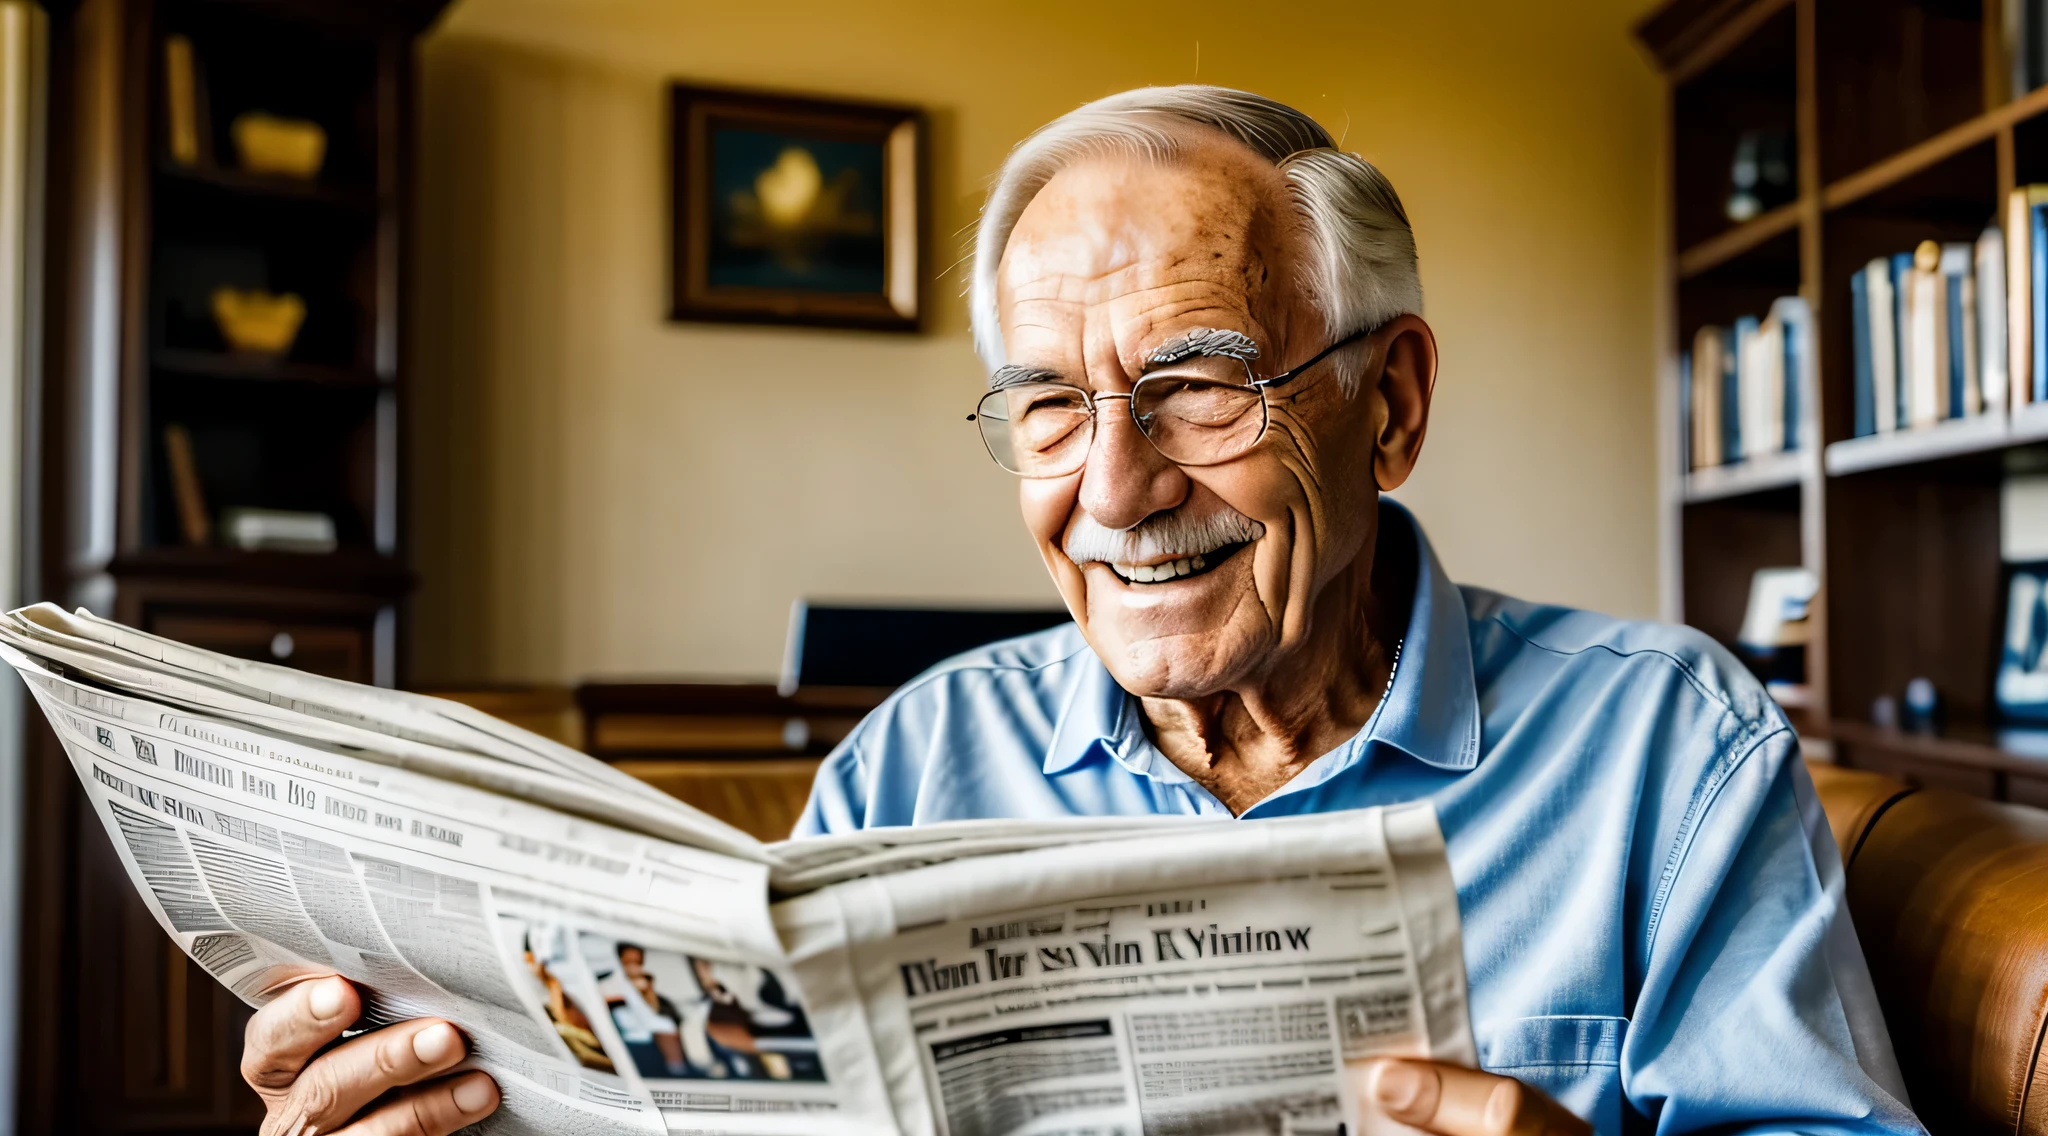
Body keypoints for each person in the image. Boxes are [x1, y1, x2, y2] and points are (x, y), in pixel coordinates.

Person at [234, 86, 1924, 1135]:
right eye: (1047, 405)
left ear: (1389, 406)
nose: (1113, 488)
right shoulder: (913, 764)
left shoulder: (1663, 750)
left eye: (1198, 384)